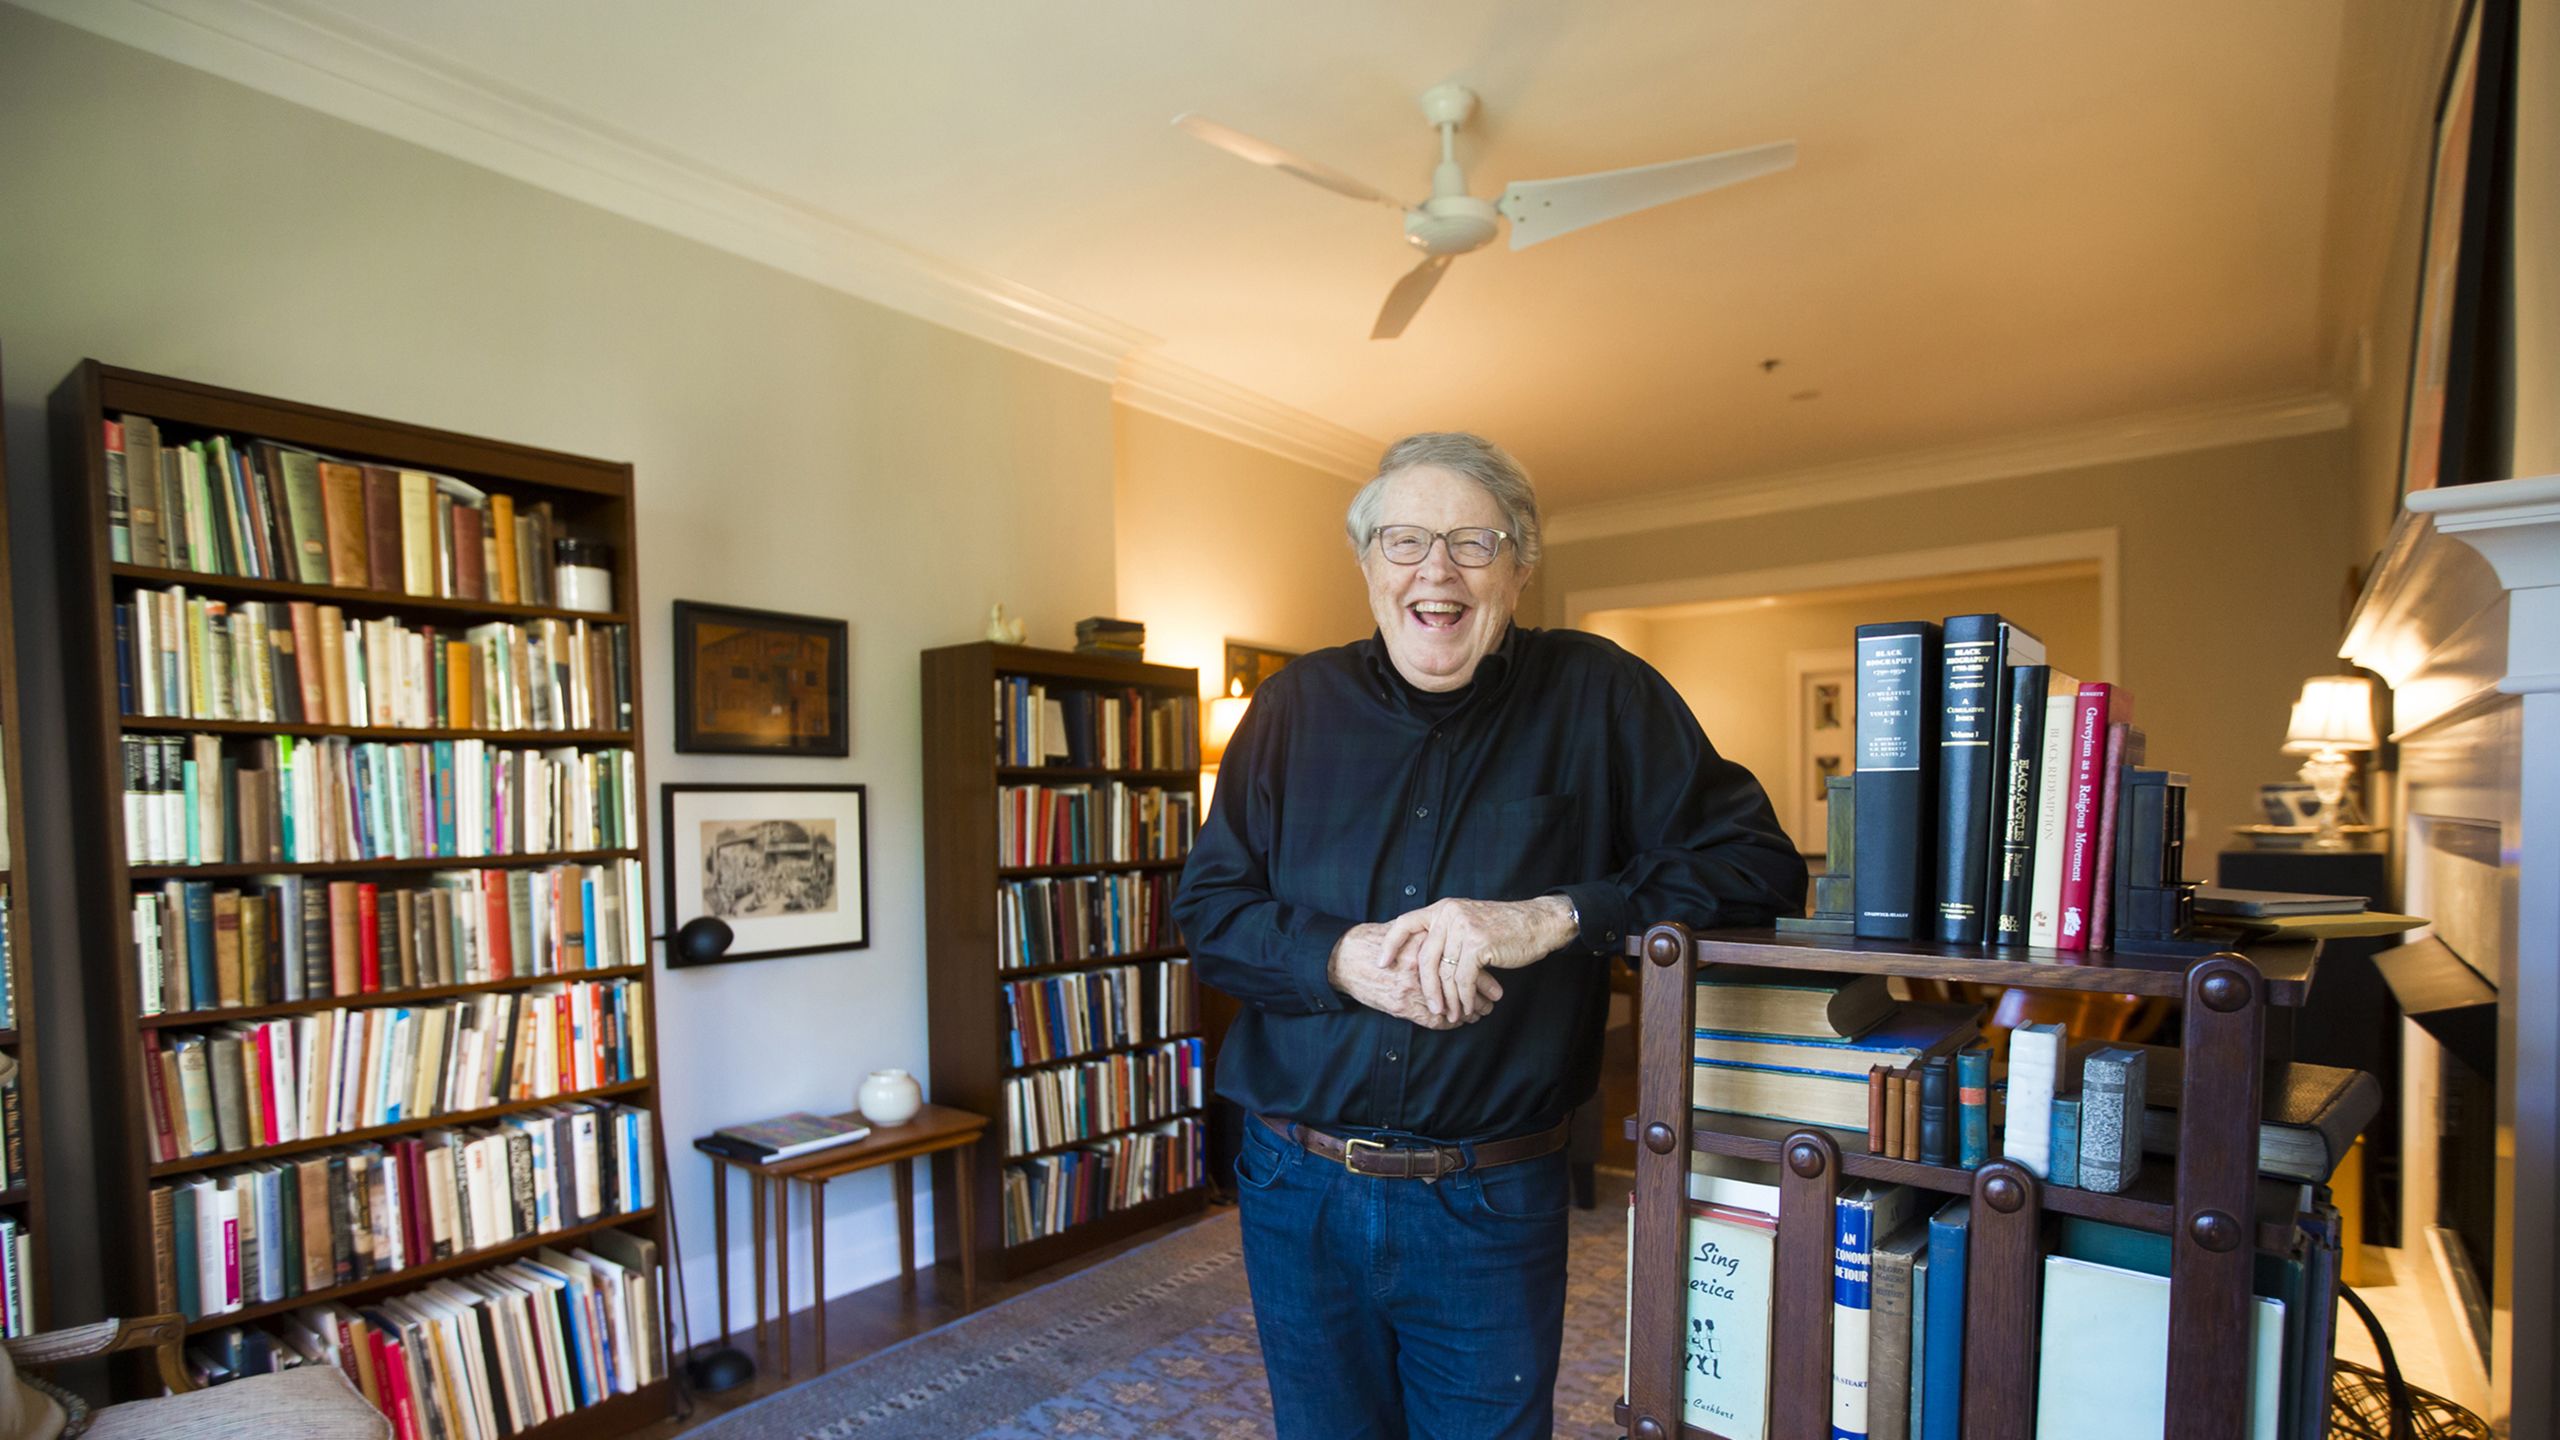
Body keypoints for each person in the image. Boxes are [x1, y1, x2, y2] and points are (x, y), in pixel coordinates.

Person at [1173, 432, 1805, 1439]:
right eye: (1405, 541)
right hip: (1293, 1188)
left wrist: (1555, 916)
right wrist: (1341, 960)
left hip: (1489, 1197)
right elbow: (1207, 914)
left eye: (1472, 542)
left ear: (1521, 563)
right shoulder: (1289, 710)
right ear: (1368, 566)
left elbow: (1755, 866)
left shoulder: (1600, 695)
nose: (1437, 570)